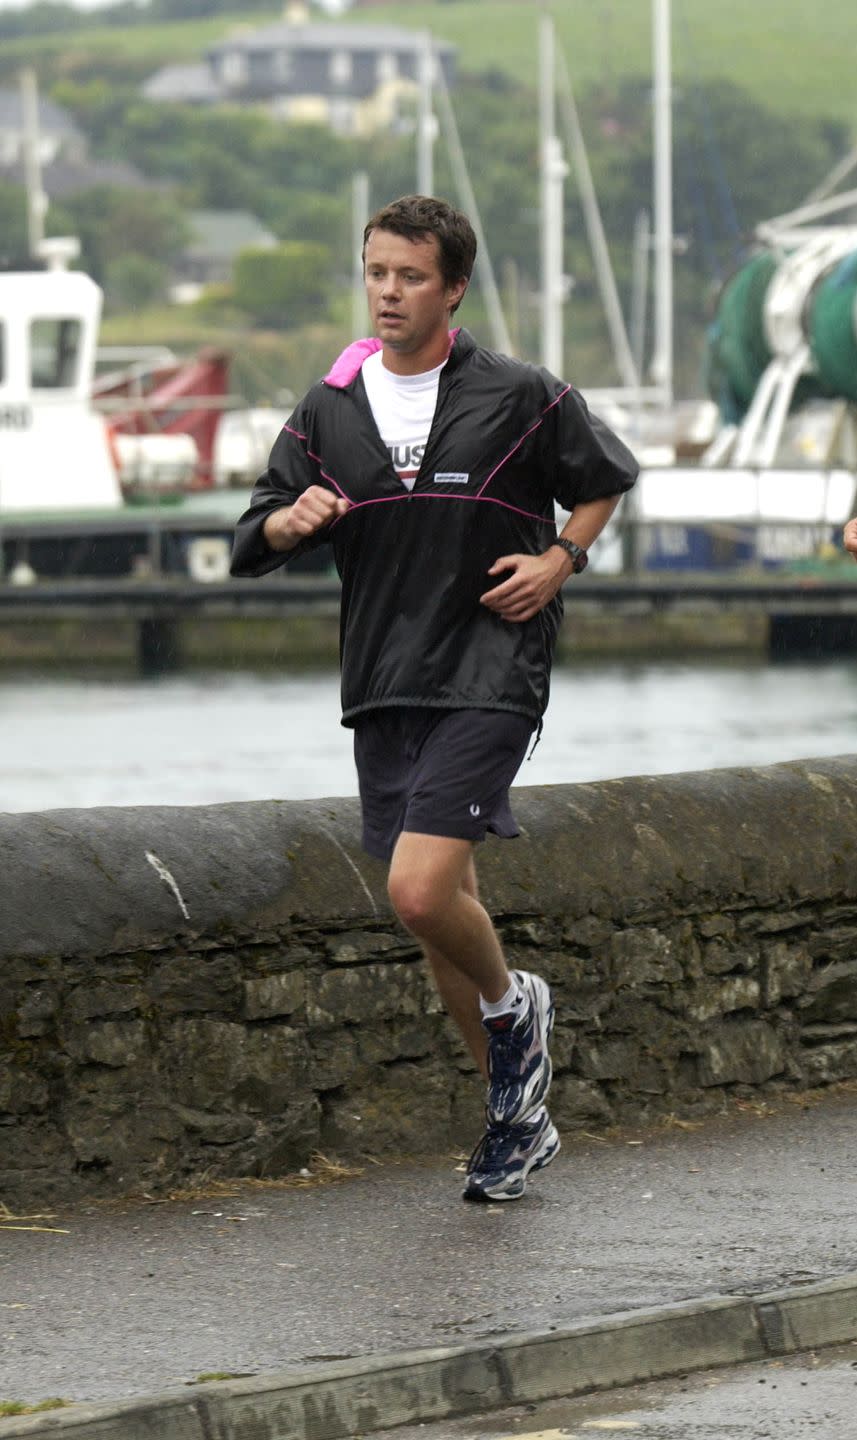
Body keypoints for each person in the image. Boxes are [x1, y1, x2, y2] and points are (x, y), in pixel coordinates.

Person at [231, 194, 638, 1203]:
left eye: (409, 276)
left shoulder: (518, 394)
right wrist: (293, 522)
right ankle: (517, 1117)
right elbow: (254, 531)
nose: (387, 293)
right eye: (375, 272)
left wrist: (559, 559)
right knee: (437, 909)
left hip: (491, 669)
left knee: (415, 890)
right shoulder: (328, 408)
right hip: (382, 681)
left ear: (451, 289)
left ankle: (513, 1006)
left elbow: (602, 479)